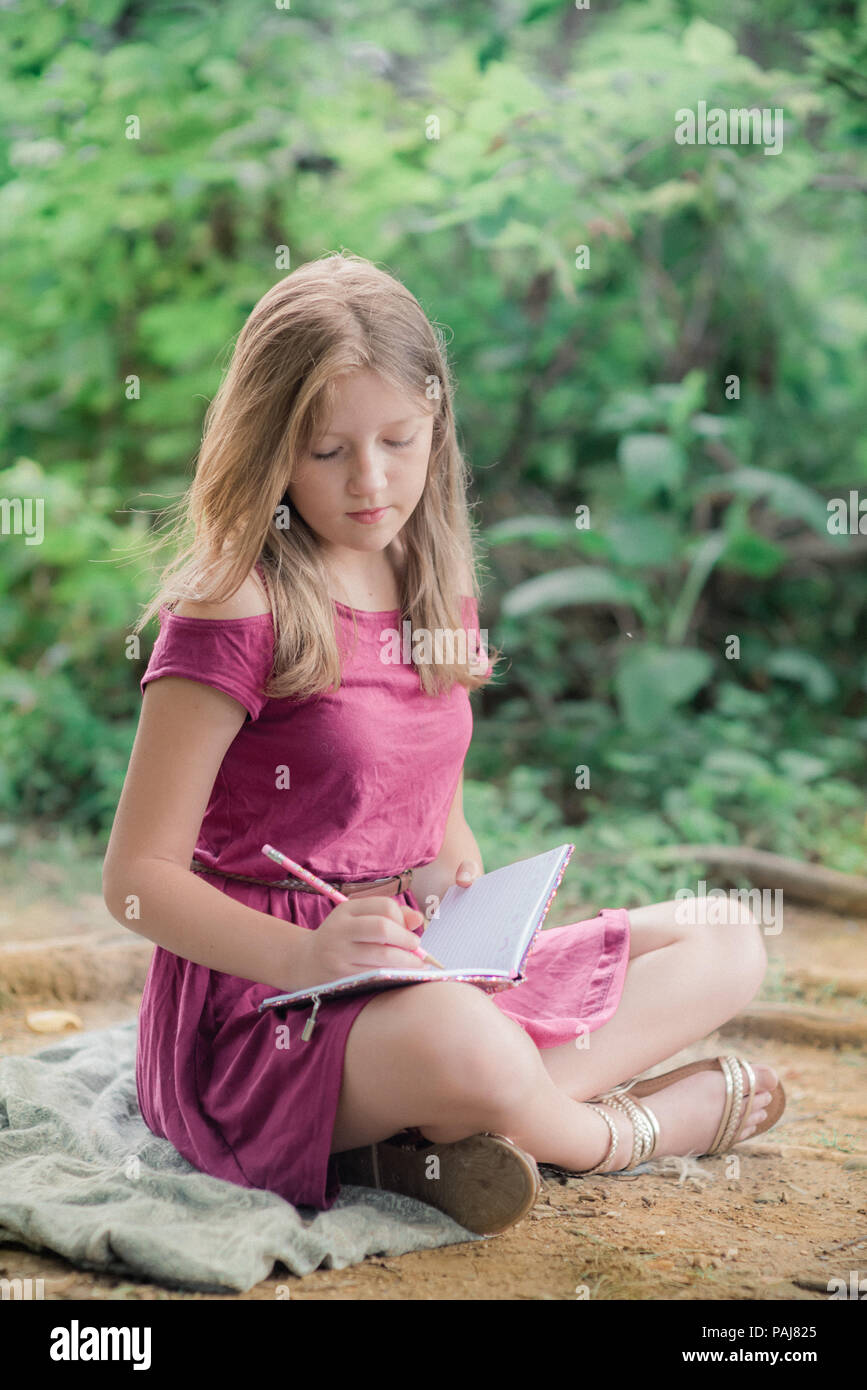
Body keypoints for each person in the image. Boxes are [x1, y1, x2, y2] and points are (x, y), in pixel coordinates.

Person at [103, 252, 785, 1238]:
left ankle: (442, 1133)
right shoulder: (235, 604)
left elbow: (432, 822)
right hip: (261, 1009)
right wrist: (305, 953)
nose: (371, 481)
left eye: (399, 439)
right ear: (270, 445)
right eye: (329, 450)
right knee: (465, 1042)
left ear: (438, 428)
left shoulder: (432, 585)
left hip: (407, 973)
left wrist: (457, 894)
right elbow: (135, 879)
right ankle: (610, 1132)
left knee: (725, 937)